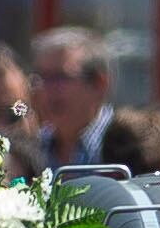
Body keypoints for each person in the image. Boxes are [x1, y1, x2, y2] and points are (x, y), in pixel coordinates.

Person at [28, 29, 116, 169]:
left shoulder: (128, 145)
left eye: (60, 77)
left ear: (99, 83)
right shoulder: (33, 148)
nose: (47, 89)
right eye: (43, 77)